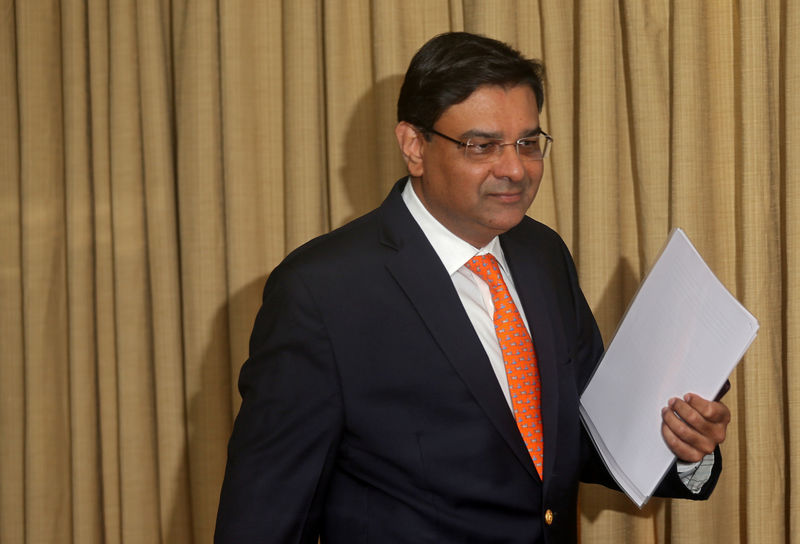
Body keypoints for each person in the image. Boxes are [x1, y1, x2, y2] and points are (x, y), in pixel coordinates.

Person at [214, 32, 731, 543]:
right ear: (414, 146)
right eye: (481, 146)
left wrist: (684, 446)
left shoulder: (542, 253)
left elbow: (579, 434)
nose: (514, 169)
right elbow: (265, 516)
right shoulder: (321, 292)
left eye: (529, 143)